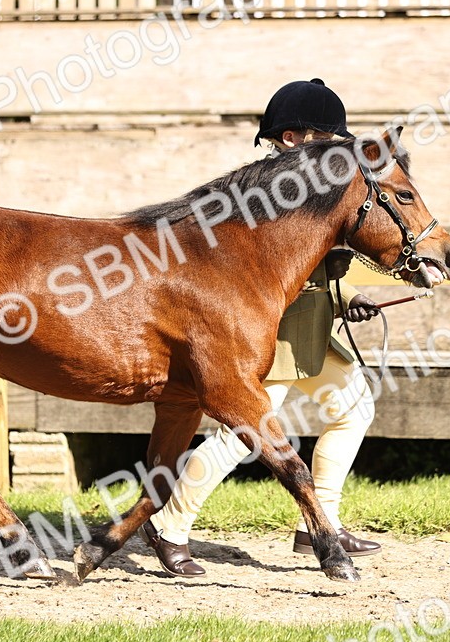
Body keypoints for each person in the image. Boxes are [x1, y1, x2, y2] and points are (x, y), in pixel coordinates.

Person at [141, 78, 382, 577]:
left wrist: (347, 297)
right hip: (271, 333)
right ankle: (169, 524)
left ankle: (321, 522)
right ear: (293, 138)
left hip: (312, 324)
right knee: (243, 436)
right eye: (327, 138)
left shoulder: (312, 187)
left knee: (354, 407)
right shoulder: (268, 191)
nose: (337, 150)